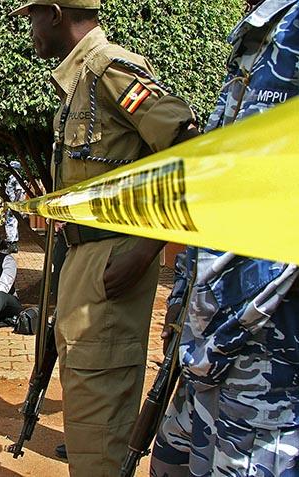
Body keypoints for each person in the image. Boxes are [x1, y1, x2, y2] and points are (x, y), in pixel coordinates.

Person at [11, 1, 199, 474]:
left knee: (100, 433)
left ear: (55, 13)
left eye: (32, 16)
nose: (29, 28)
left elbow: (191, 147)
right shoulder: (79, 83)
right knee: (86, 419)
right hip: (82, 258)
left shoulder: (111, 71)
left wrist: (148, 246)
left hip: (112, 259)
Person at [151, 1, 299, 475]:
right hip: (215, 337)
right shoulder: (267, 27)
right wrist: (186, 302)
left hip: (262, 341)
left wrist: (232, 324)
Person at [4, 161, 25, 253]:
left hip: (14, 204)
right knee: (11, 223)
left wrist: (14, 205)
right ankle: (12, 244)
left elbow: (19, 191)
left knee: (11, 223)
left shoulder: (16, 177)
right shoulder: (11, 177)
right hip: (11, 204)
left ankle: (12, 243)